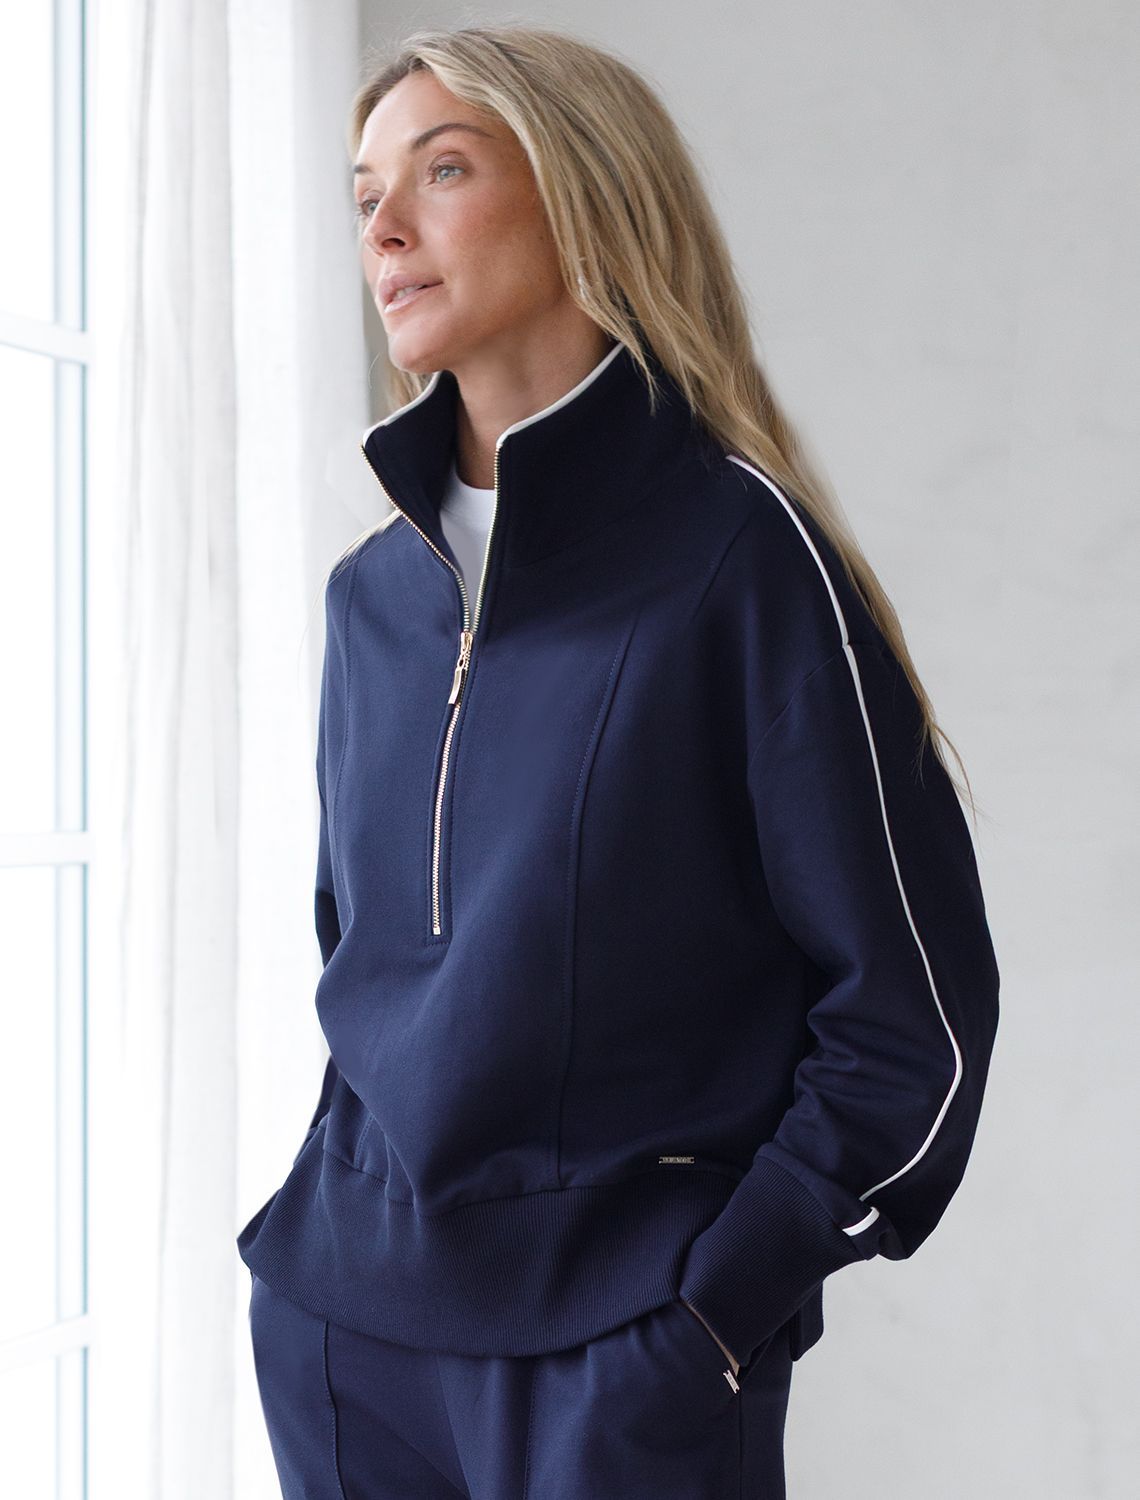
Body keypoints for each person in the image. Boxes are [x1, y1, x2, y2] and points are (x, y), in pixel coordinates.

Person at [237, 23, 1000, 1499]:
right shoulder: (370, 599)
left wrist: (721, 1302)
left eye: (441, 170)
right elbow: (364, 965)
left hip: (625, 1348)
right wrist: (308, 1280)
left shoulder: (739, 561)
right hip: (347, 1334)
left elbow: (913, 1019)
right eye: (364, 194)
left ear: (584, 193)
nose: (382, 229)